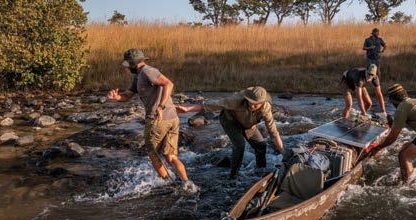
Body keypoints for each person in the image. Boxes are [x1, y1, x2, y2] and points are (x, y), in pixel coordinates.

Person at [106, 48, 198, 193]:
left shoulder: (148, 71)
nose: (127, 68)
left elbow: (169, 84)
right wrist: (116, 97)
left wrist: (160, 107)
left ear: (132, 63)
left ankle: (169, 185)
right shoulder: (138, 77)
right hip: (172, 118)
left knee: (152, 152)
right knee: (170, 156)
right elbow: (128, 95)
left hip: (158, 119)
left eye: (128, 65)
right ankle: (187, 185)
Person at [177, 86, 285, 179]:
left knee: (261, 145)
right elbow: (213, 105)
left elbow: (273, 132)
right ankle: (233, 175)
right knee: (240, 145)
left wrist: (283, 153)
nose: (252, 105)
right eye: (250, 102)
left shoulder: (266, 109)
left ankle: (260, 171)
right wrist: (187, 109)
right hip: (230, 121)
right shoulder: (236, 100)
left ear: (262, 103)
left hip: (248, 125)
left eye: (256, 104)